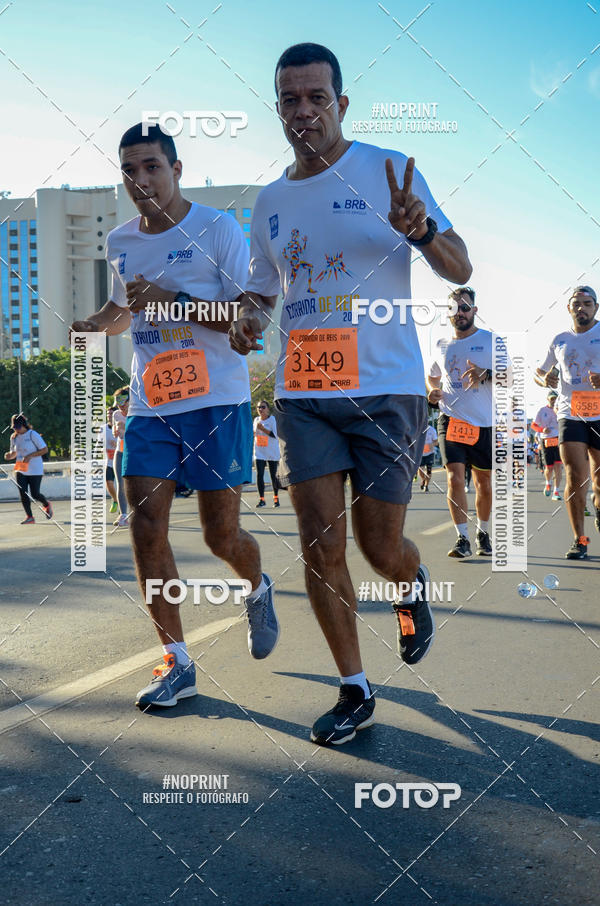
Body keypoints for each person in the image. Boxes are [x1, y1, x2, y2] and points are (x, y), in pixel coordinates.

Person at [229, 43, 471, 745]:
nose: (304, 111)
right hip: (304, 392)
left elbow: (460, 267)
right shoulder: (270, 201)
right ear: (278, 108)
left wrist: (421, 230)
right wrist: (247, 320)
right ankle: (355, 688)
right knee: (319, 543)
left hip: (387, 390)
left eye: (317, 98)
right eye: (290, 100)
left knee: (379, 546)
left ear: (341, 103)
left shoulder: (388, 170)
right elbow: (261, 290)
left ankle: (409, 584)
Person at [70, 122, 278, 709]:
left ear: (176, 169)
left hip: (216, 401)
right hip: (149, 405)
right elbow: (122, 309)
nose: (141, 180)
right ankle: (177, 662)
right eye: (129, 171)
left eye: (152, 167)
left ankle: (257, 586)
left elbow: (245, 313)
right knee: (145, 529)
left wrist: (173, 301)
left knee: (220, 535)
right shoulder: (120, 241)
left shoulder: (216, 228)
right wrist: (95, 325)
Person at [427, 287, 494, 559]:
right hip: (450, 419)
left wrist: (485, 373)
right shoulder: (441, 344)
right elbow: (432, 376)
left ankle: (483, 532)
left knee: (483, 483)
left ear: (474, 310)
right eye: (455, 308)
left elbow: (511, 376)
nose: (460, 313)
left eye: (465, 308)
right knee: (454, 478)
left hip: (483, 423)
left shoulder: (490, 340)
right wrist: (432, 391)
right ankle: (462, 538)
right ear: (448, 312)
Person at [535, 285, 600, 559]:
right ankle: (579, 540)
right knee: (574, 476)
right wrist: (544, 379)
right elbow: (539, 371)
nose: (581, 308)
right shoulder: (559, 340)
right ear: (569, 308)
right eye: (576, 304)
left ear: (596, 307)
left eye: (587, 303)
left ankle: (598, 505)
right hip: (570, 414)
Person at [4, 414, 53, 524]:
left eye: (18, 427)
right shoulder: (13, 437)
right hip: (20, 468)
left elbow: (44, 449)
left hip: (35, 468)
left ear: (24, 425)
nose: (16, 429)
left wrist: (30, 456)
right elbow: (14, 453)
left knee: (35, 494)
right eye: (14, 427)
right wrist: (9, 456)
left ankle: (46, 504)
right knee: (23, 493)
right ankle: (30, 517)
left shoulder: (32, 434)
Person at [531, 390, 563, 500]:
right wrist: (542, 429)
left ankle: (556, 491)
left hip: (559, 439)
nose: (554, 401)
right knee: (549, 467)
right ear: (548, 399)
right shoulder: (542, 410)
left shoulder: (561, 410)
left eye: (555, 399)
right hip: (546, 440)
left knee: (558, 466)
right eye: (552, 399)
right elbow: (533, 425)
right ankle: (548, 483)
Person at [253, 400, 281, 507]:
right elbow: (254, 433)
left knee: (273, 476)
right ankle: (262, 500)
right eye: (259, 407)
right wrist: (254, 432)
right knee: (259, 475)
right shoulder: (256, 420)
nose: (260, 409)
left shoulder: (272, 420)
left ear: (268, 409)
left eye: (263, 407)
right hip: (259, 451)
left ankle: (276, 498)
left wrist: (263, 429)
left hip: (271, 451)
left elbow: (275, 435)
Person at [111, 387, 130, 528]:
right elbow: (115, 430)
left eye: (123, 403)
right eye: (118, 404)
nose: (121, 406)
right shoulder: (116, 414)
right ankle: (123, 515)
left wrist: (126, 426)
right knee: (120, 483)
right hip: (120, 451)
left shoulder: (137, 413)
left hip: (134, 452)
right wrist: (116, 430)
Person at [104, 406, 118, 514]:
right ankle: (115, 500)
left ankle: (123, 505)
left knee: (122, 485)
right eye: (107, 414)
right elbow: (100, 443)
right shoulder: (103, 429)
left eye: (111, 414)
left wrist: (117, 444)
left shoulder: (120, 426)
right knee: (108, 483)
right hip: (109, 461)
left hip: (120, 460)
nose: (109, 415)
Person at [418, 422, 438, 492]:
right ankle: (423, 479)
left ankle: (426, 485)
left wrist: (432, 444)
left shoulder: (432, 430)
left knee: (429, 470)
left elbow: (436, 442)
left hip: (430, 453)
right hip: (420, 453)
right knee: (420, 470)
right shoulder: (417, 429)